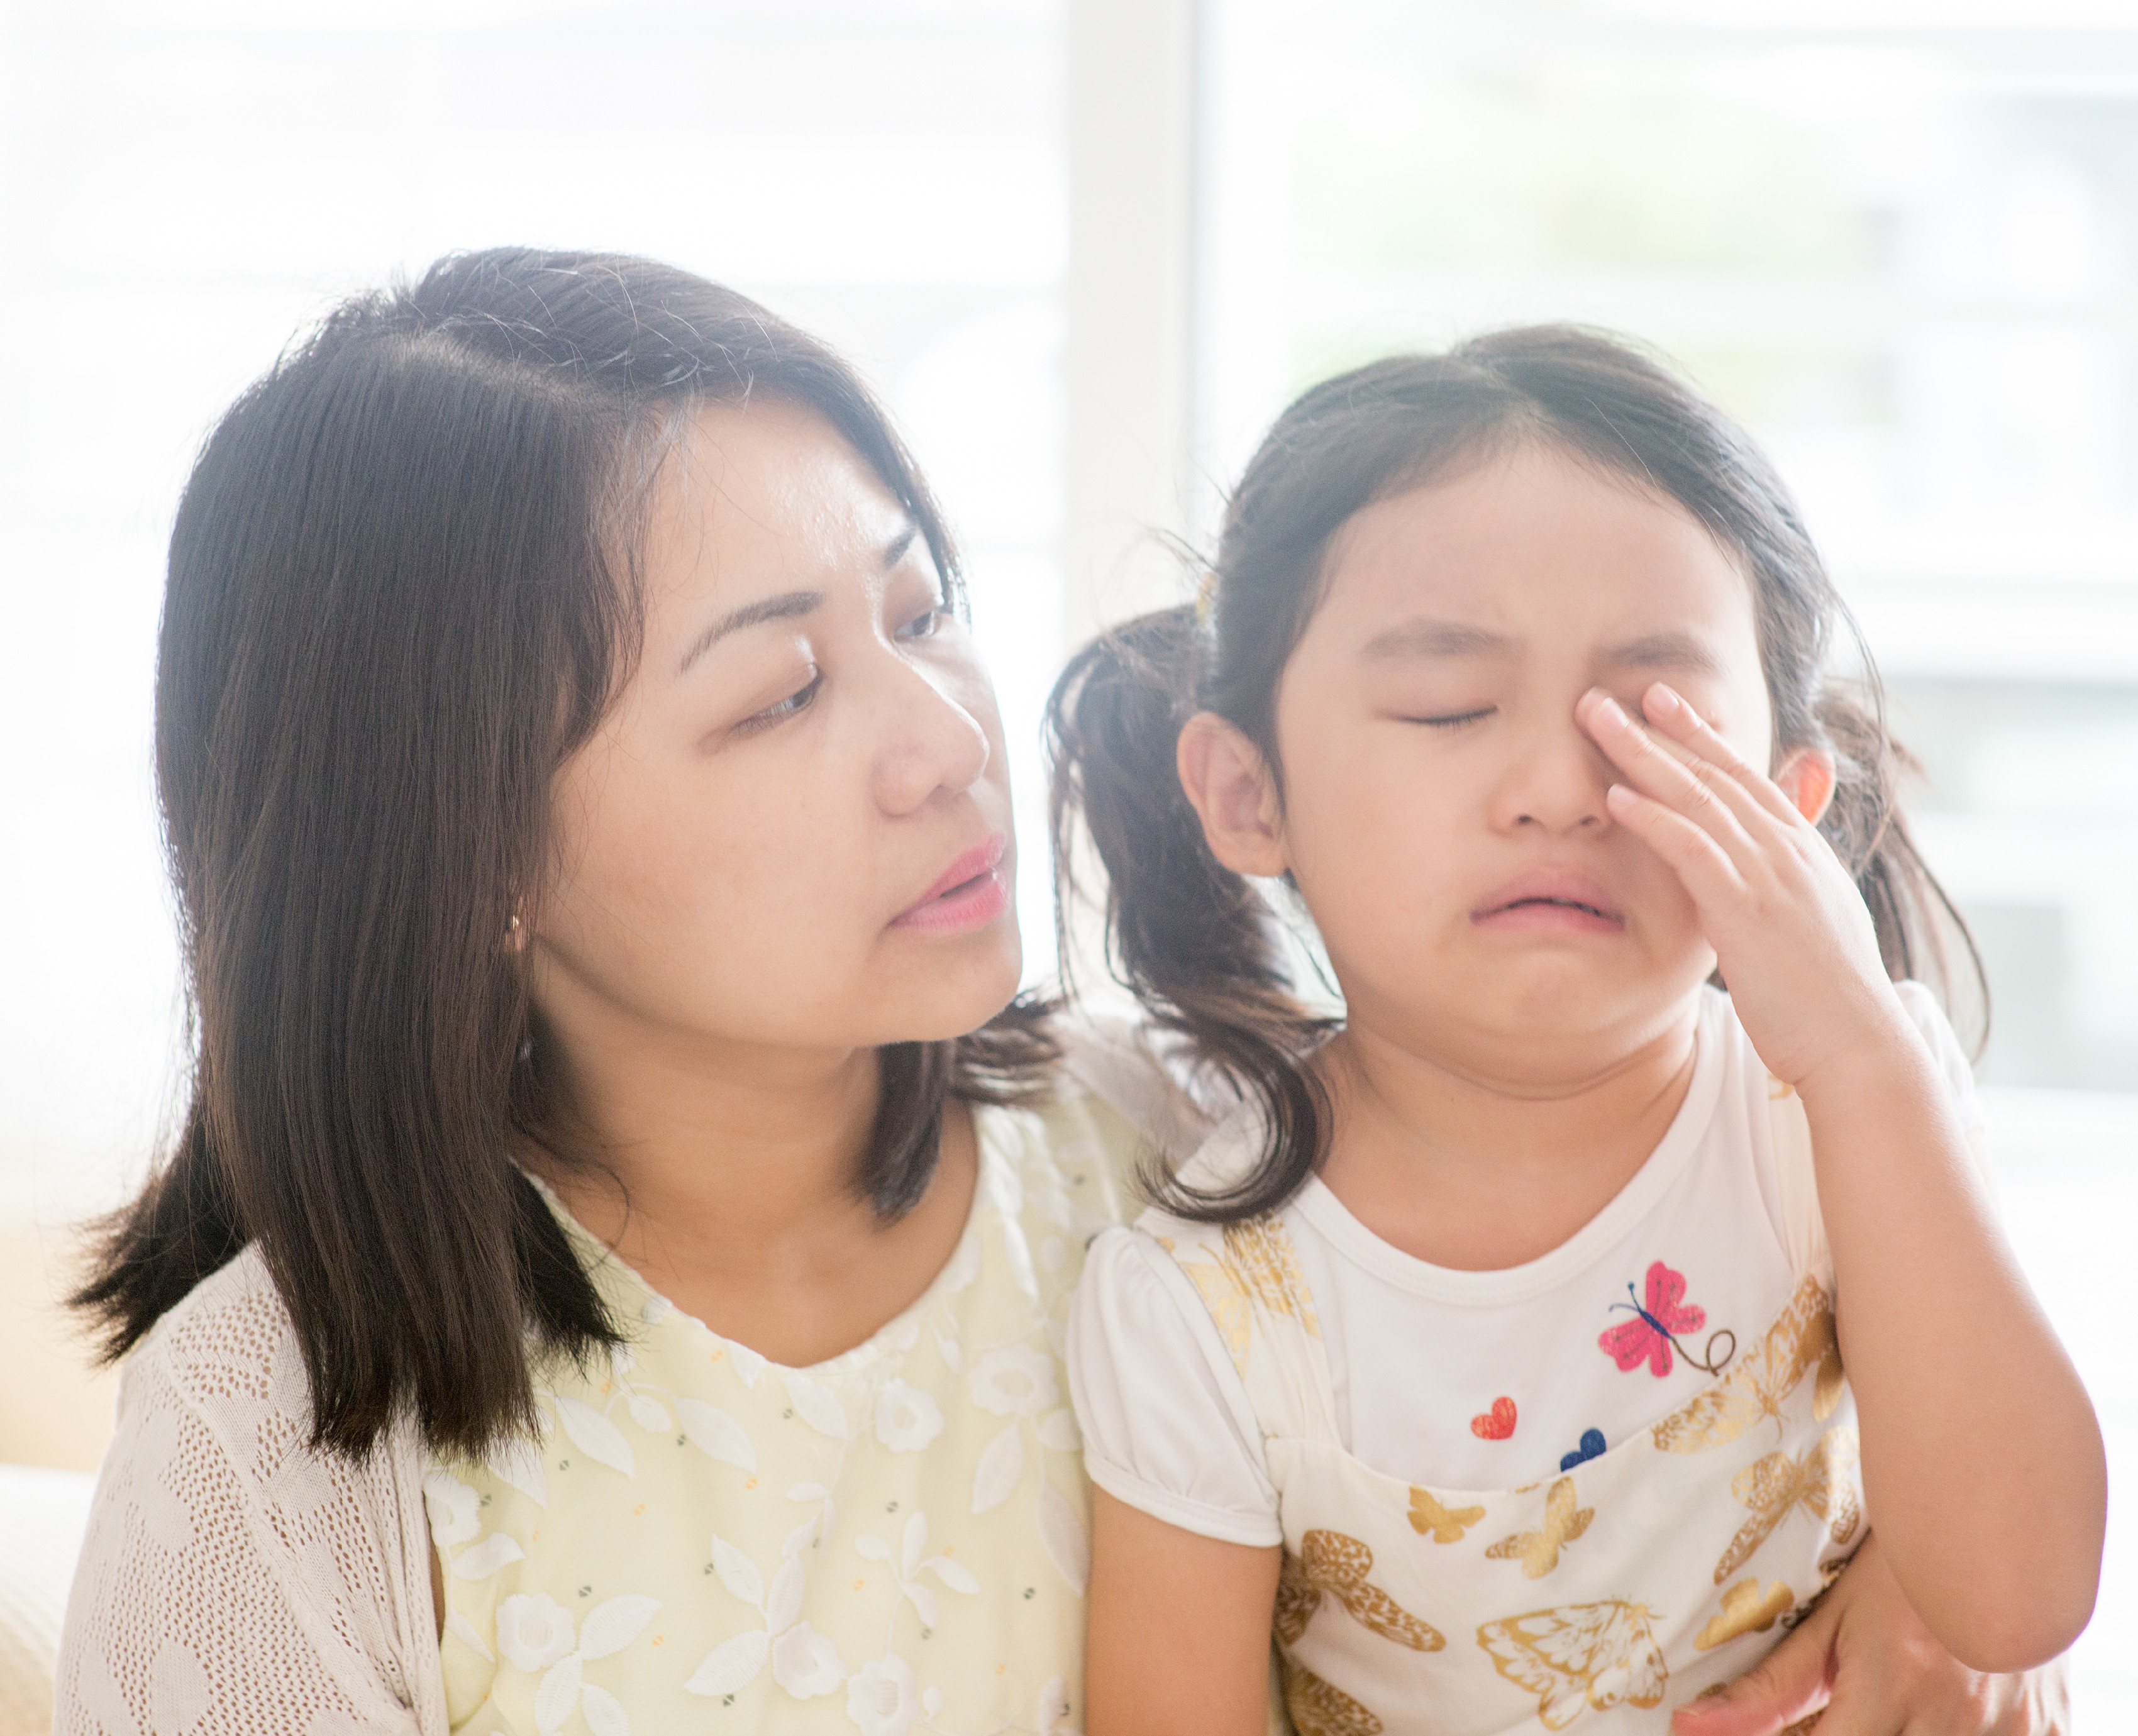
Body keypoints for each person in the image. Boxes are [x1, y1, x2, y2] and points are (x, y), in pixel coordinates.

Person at [51, 255, 2074, 1736]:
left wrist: (1906, 1583)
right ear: (467, 852)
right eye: (779, 692)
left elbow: (1698, 1333)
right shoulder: (277, 1434)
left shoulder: (1173, 1155)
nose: (942, 738)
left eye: (924, 613)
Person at [1051, 329, 2107, 1735]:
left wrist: (1860, 1056)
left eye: (1646, 722)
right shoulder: (1199, 1304)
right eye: (1448, 704)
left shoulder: (1850, 1112)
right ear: (1247, 793)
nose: (1557, 786)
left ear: (1786, 804)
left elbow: (2015, 1599)